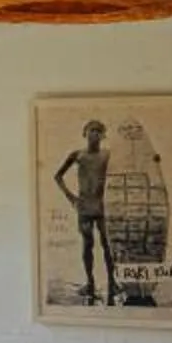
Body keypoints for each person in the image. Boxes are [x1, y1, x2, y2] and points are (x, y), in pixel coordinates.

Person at [53, 119, 111, 304]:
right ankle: (90, 282)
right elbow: (58, 176)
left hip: (103, 206)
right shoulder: (77, 155)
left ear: (103, 135)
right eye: (91, 130)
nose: (95, 134)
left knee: (108, 245)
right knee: (88, 245)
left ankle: (112, 282)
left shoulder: (107, 155)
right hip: (85, 206)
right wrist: (71, 198)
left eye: (98, 131)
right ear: (84, 133)